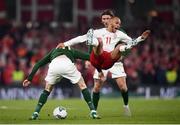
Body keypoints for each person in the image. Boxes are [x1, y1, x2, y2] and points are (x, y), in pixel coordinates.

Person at [56, 14, 150, 116]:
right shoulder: (99, 32)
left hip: (112, 60)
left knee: (123, 86)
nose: (118, 25)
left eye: (119, 24)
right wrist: (65, 44)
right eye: (117, 23)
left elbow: (131, 42)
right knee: (97, 86)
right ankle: (94, 111)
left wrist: (141, 38)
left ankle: (126, 106)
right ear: (110, 22)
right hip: (100, 59)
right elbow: (81, 38)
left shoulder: (120, 33)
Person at [22, 47, 100, 120]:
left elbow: (38, 64)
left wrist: (29, 79)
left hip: (54, 66)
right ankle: (93, 112)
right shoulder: (70, 49)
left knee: (47, 89)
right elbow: (89, 57)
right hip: (67, 65)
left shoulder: (53, 51)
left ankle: (35, 113)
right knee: (82, 85)